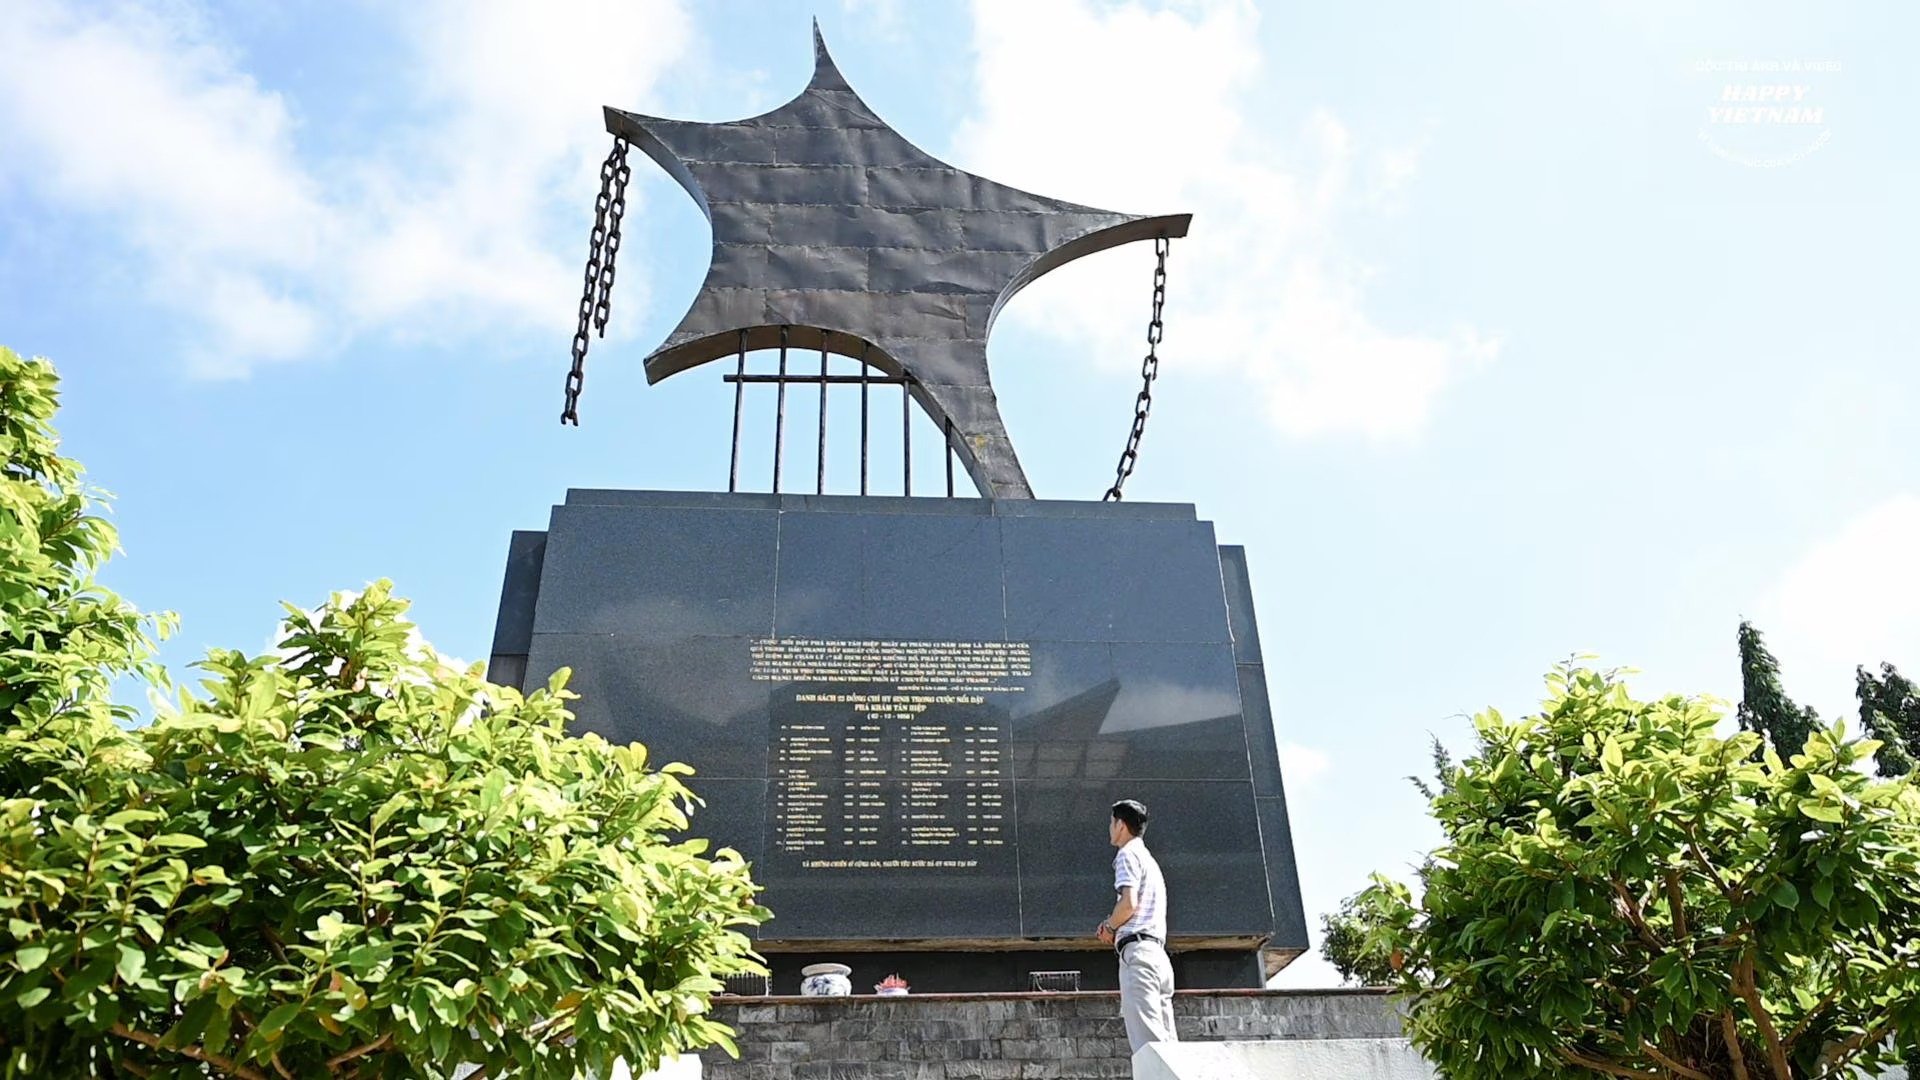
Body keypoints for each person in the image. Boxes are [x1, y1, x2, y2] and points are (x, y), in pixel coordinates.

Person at [1095, 798, 1178, 1054]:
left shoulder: (1127, 854)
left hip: (1138, 955)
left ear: (1120, 824)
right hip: (1159, 957)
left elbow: (1129, 903)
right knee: (1169, 1049)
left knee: (1149, 1049)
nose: (1110, 828)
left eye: (1111, 823)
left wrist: (1109, 927)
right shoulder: (1149, 860)